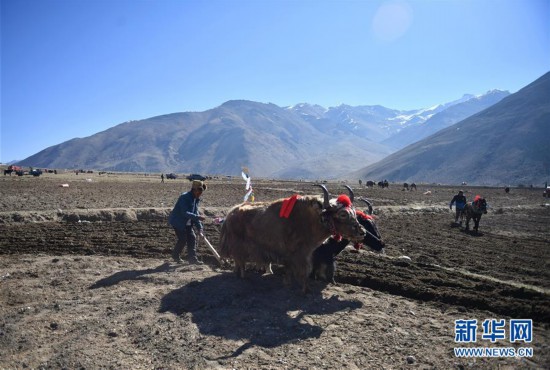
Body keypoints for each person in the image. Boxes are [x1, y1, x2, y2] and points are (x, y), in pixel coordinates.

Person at [169, 180, 207, 264]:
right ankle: (175, 256)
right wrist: (198, 217)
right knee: (183, 239)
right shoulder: (184, 197)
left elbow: (195, 212)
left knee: (192, 238)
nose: (200, 194)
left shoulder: (196, 199)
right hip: (178, 222)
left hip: (188, 223)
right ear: (194, 189)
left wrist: (200, 227)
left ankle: (192, 259)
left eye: (201, 192)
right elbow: (184, 212)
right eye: (199, 191)